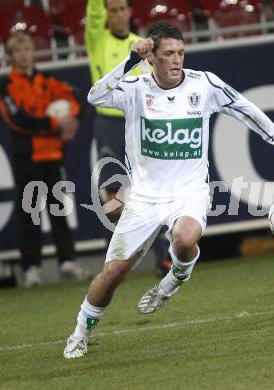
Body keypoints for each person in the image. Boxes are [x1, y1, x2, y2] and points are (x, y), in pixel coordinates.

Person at [63, 22, 274, 359]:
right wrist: (129, 61)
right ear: (152, 57)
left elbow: (245, 109)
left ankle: (175, 277)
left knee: (184, 237)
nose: (176, 60)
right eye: (168, 54)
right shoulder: (135, 88)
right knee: (114, 273)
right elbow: (96, 96)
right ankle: (80, 331)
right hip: (144, 196)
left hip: (189, 190)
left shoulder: (203, 84)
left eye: (180, 52)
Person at [85, 0, 171, 276]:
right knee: (113, 195)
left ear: (130, 12)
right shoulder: (97, 38)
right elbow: (94, 12)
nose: (118, 14)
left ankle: (163, 257)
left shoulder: (141, 45)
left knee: (150, 189)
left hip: (136, 123)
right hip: (108, 122)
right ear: (107, 15)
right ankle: (114, 259)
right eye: (113, 10)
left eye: (122, 9)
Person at [0, 32, 89, 287]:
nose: (24, 55)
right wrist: (54, 123)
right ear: (11, 56)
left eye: (27, 49)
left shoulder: (48, 81)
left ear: (33, 52)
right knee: (30, 214)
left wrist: (70, 117)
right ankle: (31, 268)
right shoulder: (5, 86)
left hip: (53, 154)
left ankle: (67, 261)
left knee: (58, 211)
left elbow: (77, 99)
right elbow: (18, 120)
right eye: (18, 51)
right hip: (27, 157)